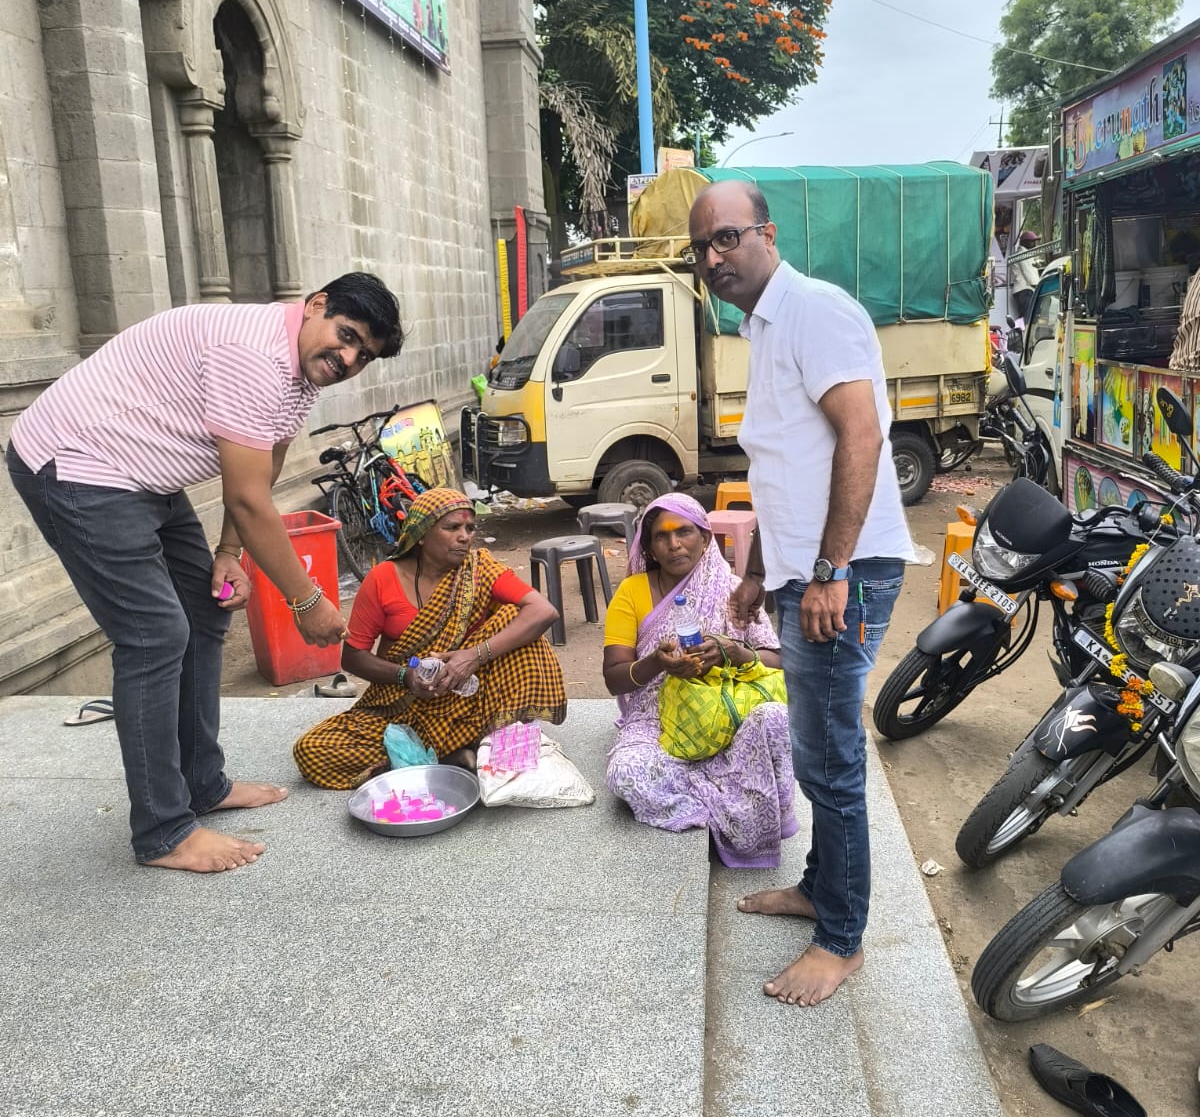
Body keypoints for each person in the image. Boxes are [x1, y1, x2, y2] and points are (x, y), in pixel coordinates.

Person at [6, 273, 403, 875]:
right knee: (154, 636)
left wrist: (227, 553)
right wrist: (308, 601)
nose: (347, 359)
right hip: (79, 467)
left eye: (362, 356)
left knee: (205, 606)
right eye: (346, 336)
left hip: (144, 470)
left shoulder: (296, 368)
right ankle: (163, 832)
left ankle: (202, 784)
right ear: (316, 306)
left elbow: (263, 465)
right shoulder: (255, 356)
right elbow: (247, 500)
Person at [685, 181, 910, 1006]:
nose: (713, 258)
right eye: (701, 248)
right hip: (802, 570)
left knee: (832, 762)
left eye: (726, 239)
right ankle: (821, 888)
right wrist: (755, 573)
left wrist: (827, 572)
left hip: (841, 572)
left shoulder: (814, 311)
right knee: (818, 752)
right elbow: (783, 464)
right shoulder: (763, 326)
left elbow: (861, 433)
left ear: (767, 235)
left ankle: (841, 940)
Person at [293, 488, 565, 786]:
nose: (464, 536)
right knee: (312, 749)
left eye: (469, 528)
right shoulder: (383, 579)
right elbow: (353, 656)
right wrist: (405, 676)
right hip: (402, 704)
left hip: (466, 702)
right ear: (421, 534)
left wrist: (472, 656)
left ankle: (432, 758)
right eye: (452, 528)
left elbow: (544, 611)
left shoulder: (480, 570)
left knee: (517, 621)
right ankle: (450, 759)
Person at [602, 494, 796, 867]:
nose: (674, 544)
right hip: (658, 718)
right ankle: (730, 805)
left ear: (706, 538)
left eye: (685, 532)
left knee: (775, 718)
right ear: (651, 548)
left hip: (729, 710)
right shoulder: (632, 592)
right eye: (661, 536)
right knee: (625, 774)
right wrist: (656, 664)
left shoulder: (734, 588)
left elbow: (779, 659)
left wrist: (736, 653)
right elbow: (614, 678)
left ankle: (731, 794)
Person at [1010, 230, 1042, 324]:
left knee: (1025, 317)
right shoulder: (1022, 254)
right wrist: (1038, 285)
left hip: (1022, 290)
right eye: (1032, 241)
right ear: (1024, 242)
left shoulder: (1024, 254)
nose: (1034, 244)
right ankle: (1022, 337)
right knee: (1028, 319)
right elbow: (1028, 274)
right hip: (1025, 290)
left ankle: (1020, 335)